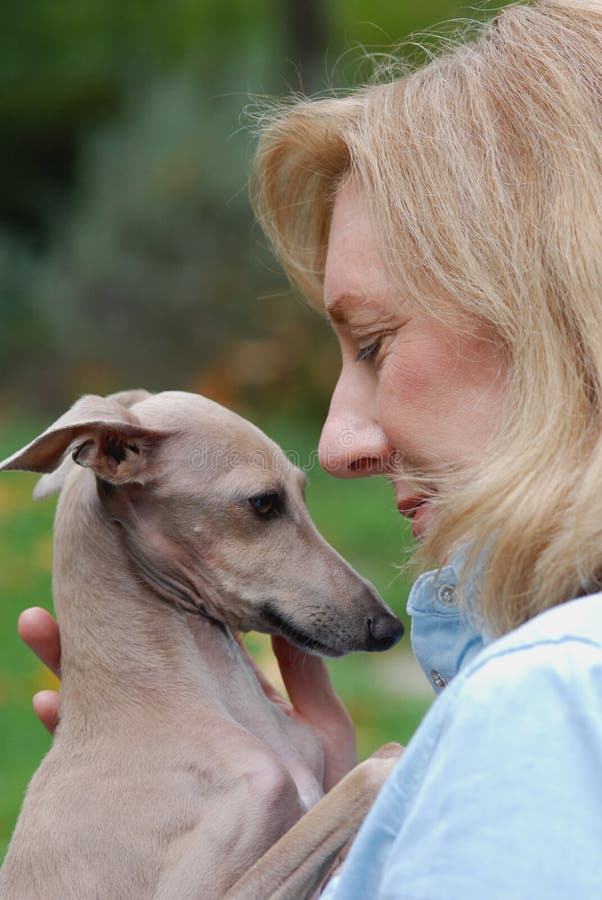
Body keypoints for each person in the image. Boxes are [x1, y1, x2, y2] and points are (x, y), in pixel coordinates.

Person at [18, 0, 602, 895]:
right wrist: (343, 836)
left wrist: (398, 790)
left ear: (563, 321)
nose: (336, 443)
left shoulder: (552, 701)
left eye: (372, 343)